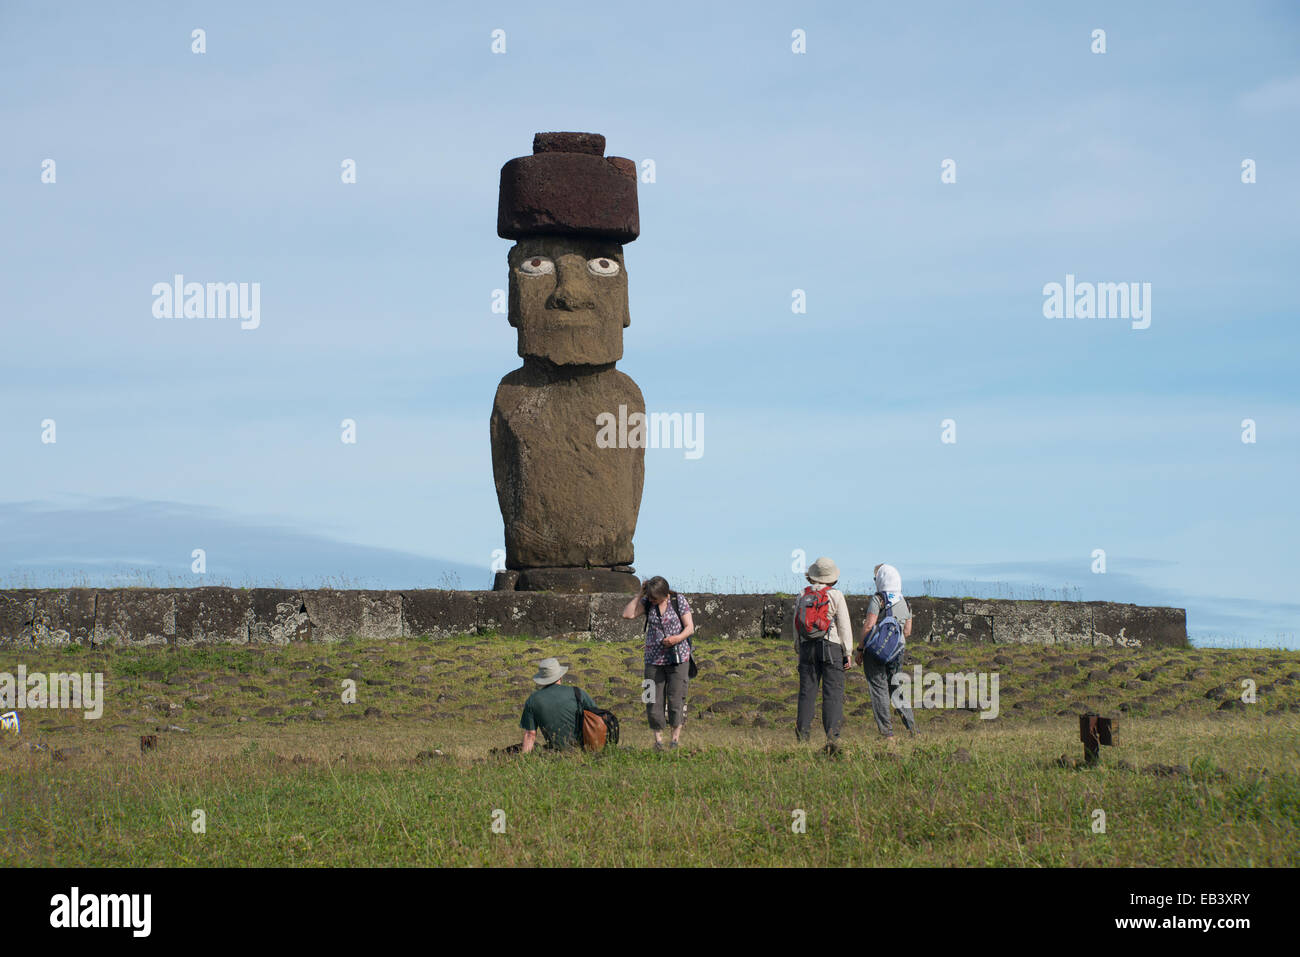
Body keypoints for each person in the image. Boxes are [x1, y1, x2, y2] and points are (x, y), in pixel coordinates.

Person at [621, 576, 695, 751]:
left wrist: (676, 639)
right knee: (652, 698)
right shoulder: (647, 602)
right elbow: (627, 614)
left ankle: (675, 741)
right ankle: (658, 741)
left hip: (678, 658)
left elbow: (690, 628)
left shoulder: (679, 600)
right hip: (653, 660)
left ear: (665, 594)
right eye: (650, 597)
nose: (652, 601)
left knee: (676, 698)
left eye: (655, 598)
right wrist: (640, 594)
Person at [792, 556, 854, 750]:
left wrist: (798, 647)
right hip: (831, 647)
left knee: (806, 693)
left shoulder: (802, 594)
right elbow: (844, 625)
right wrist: (848, 651)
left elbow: (796, 625)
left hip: (806, 647)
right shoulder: (835, 595)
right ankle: (832, 737)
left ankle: (802, 737)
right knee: (832, 693)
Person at [854, 563, 917, 740]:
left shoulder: (879, 599)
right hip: (897, 650)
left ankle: (887, 732)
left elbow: (869, 625)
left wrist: (860, 648)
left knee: (878, 688)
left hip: (875, 652)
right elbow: (907, 632)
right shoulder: (906, 602)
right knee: (896, 687)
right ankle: (912, 728)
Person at [517, 657, 597, 753]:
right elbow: (596, 718)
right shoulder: (577, 692)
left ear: (542, 678)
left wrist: (524, 759)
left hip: (555, 752)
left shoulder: (533, 699)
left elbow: (530, 734)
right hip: (584, 750)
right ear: (560, 676)